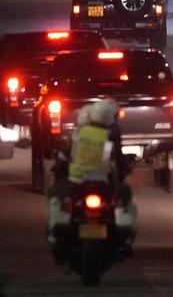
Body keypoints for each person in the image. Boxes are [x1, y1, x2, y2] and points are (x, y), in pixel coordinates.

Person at [46, 99, 135, 256]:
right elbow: (119, 161)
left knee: (55, 196)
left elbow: (65, 156)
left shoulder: (78, 134)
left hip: (77, 180)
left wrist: (59, 166)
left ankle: (54, 235)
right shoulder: (110, 136)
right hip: (104, 183)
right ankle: (125, 239)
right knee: (124, 198)